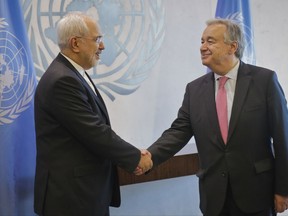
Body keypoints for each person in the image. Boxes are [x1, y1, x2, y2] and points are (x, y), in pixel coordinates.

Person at [144, 19, 288, 216]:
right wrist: (149, 156)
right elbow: (178, 132)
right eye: (202, 41)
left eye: (210, 41)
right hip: (214, 197)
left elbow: (283, 138)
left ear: (232, 46)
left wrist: (283, 189)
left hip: (256, 194)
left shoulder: (265, 81)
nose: (202, 47)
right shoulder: (194, 89)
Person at [33, 12, 152, 216]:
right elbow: (95, 132)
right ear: (75, 43)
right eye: (97, 39)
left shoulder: (71, 74)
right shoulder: (63, 80)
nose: (103, 46)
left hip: (82, 194)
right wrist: (134, 158)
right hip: (70, 200)